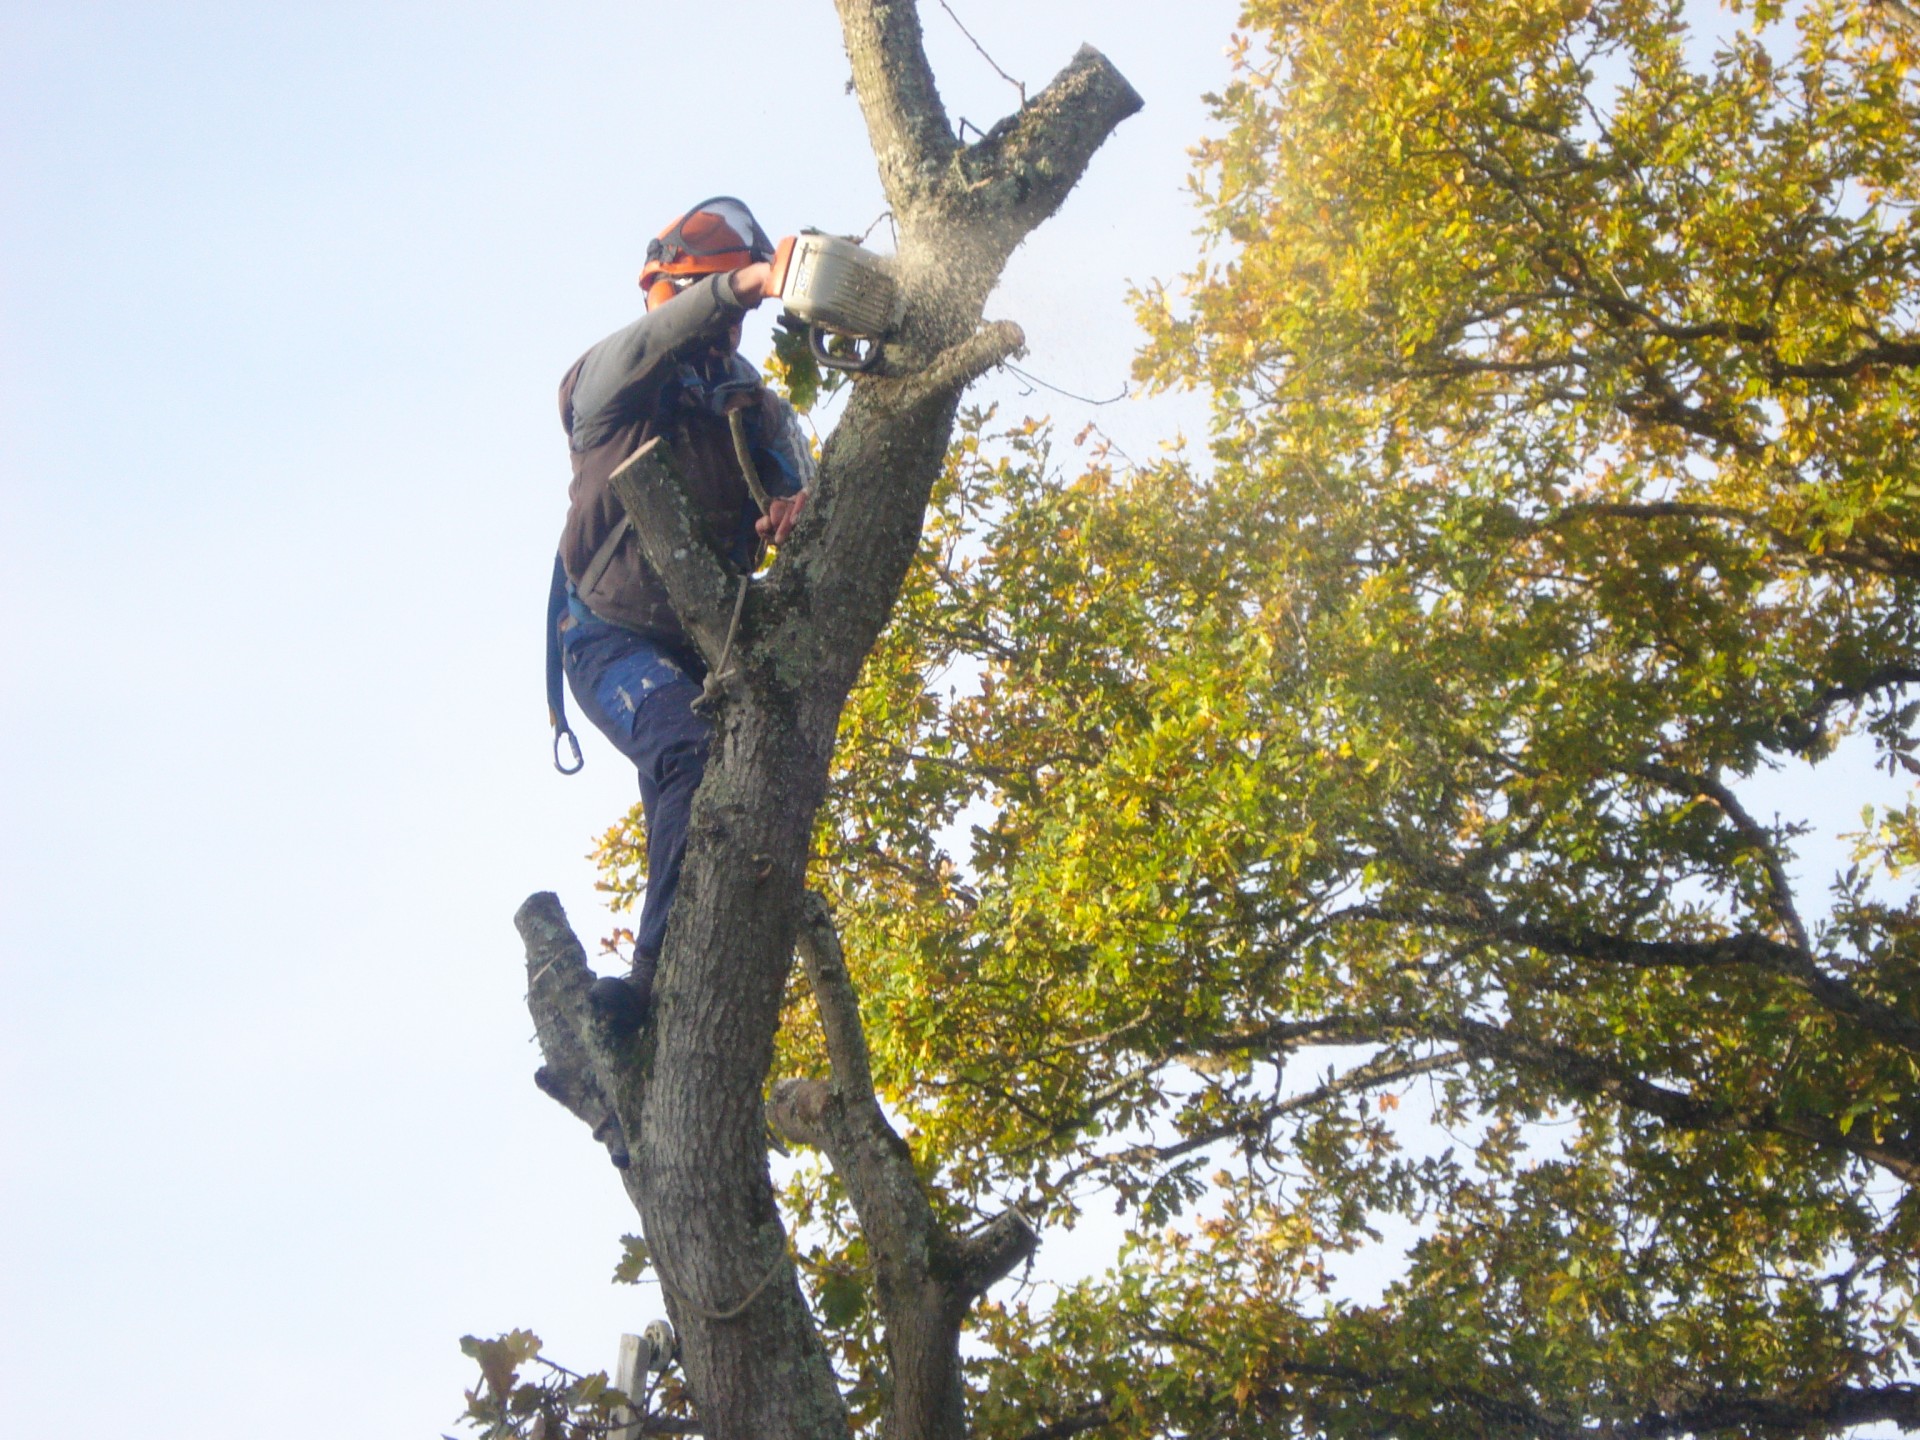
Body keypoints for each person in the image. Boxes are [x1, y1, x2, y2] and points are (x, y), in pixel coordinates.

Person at [547, 197, 811, 1034]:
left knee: (751, 798)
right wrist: (745, 285)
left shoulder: (752, 407)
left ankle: (717, 991)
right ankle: (653, 985)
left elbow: (805, 490)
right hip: (608, 637)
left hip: (712, 648)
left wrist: (795, 512)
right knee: (686, 752)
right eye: (705, 304)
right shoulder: (606, 387)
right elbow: (650, 345)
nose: (718, 340)